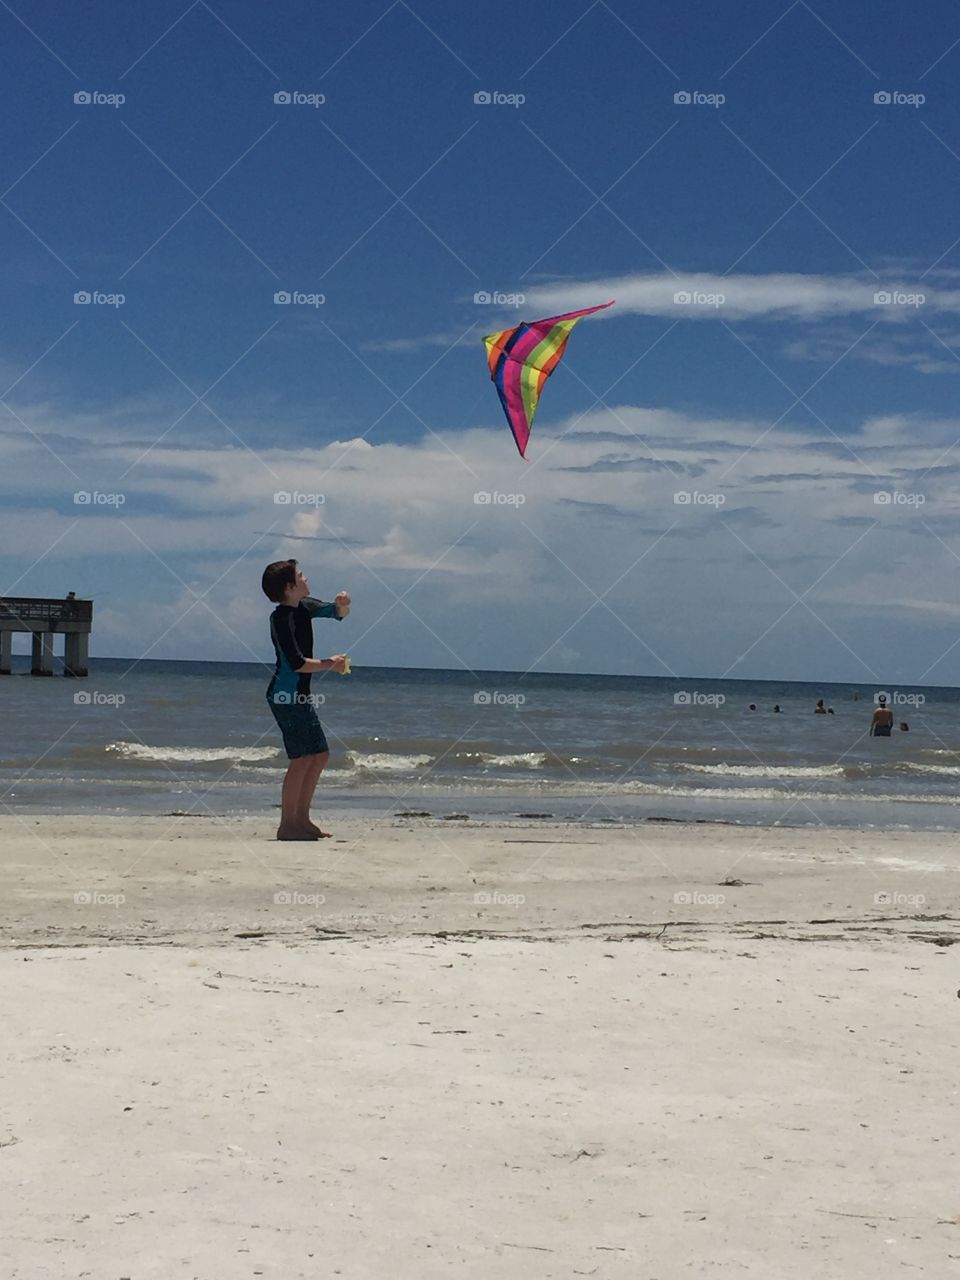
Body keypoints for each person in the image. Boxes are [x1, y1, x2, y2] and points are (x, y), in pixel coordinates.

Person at [262, 559, 350, 840]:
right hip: (285, 695)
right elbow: (297, 663)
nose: (305, 577)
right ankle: (288, 824)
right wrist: (330, 663)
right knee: (302, 758)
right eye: (300, 576)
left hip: (299, 695)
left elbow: (337, 612)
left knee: (319, 755)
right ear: (290, 587)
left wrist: (343, 603)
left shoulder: (305, 606)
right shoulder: (280, 619)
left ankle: (302, 820)